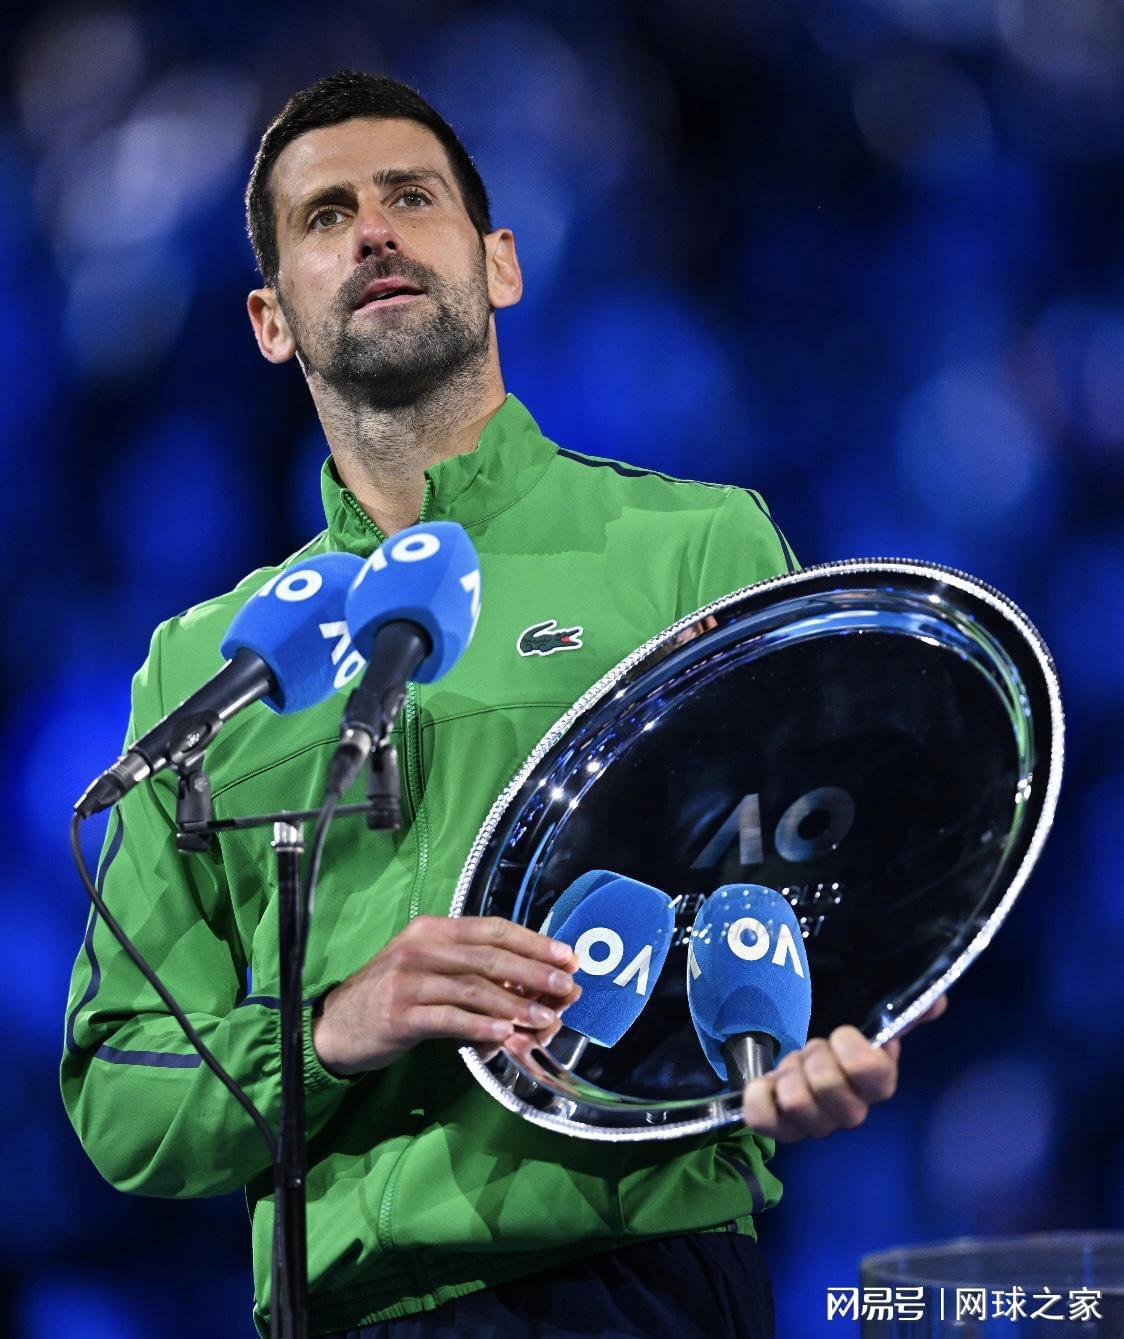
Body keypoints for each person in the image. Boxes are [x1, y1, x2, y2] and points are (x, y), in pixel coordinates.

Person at [61, 70, 946, 1338]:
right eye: (325, 216)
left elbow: (841, 892)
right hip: (342, 1308)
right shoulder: (209, 665)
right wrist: (332, 1028)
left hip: (639, 1280)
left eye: (410, 199)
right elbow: (118, 1089)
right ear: (270, 319)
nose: (373, 232)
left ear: (500, 264)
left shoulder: (689, 551)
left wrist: (840, 1029)